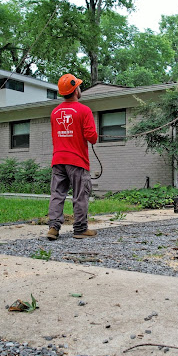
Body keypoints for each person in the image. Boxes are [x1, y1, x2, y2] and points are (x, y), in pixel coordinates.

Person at [47, 74, 98, 240]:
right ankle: (80, 229)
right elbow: (92, 137)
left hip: (58, 159)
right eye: (78, 86)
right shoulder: (84, 110)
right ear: (75, 90)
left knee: (57, 194)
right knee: (80, 195)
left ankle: (53, 228)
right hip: (77, 160)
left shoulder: (55, 112)